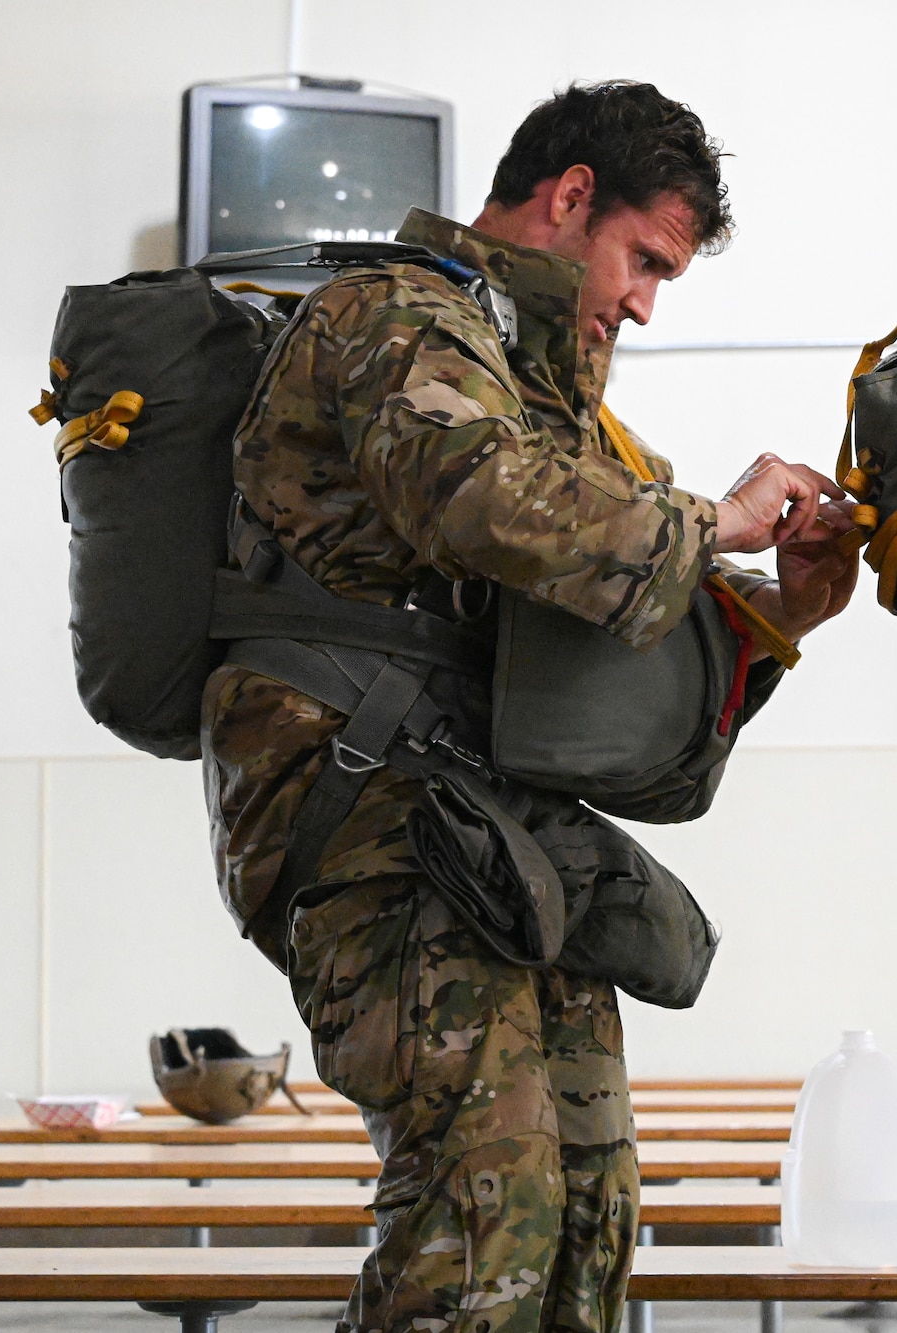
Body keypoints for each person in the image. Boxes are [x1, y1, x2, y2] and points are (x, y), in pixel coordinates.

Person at [201, 81, 857, 1333]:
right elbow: (478, 500)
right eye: (643, 260)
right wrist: (709, 521)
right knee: (478, 1217)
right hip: (371, 830)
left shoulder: (555, 408)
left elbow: (618, 712)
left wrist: (777, 616)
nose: (645, 303)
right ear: (568, 199)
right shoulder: (391, 314)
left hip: (495, 844)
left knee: (582, 1210)